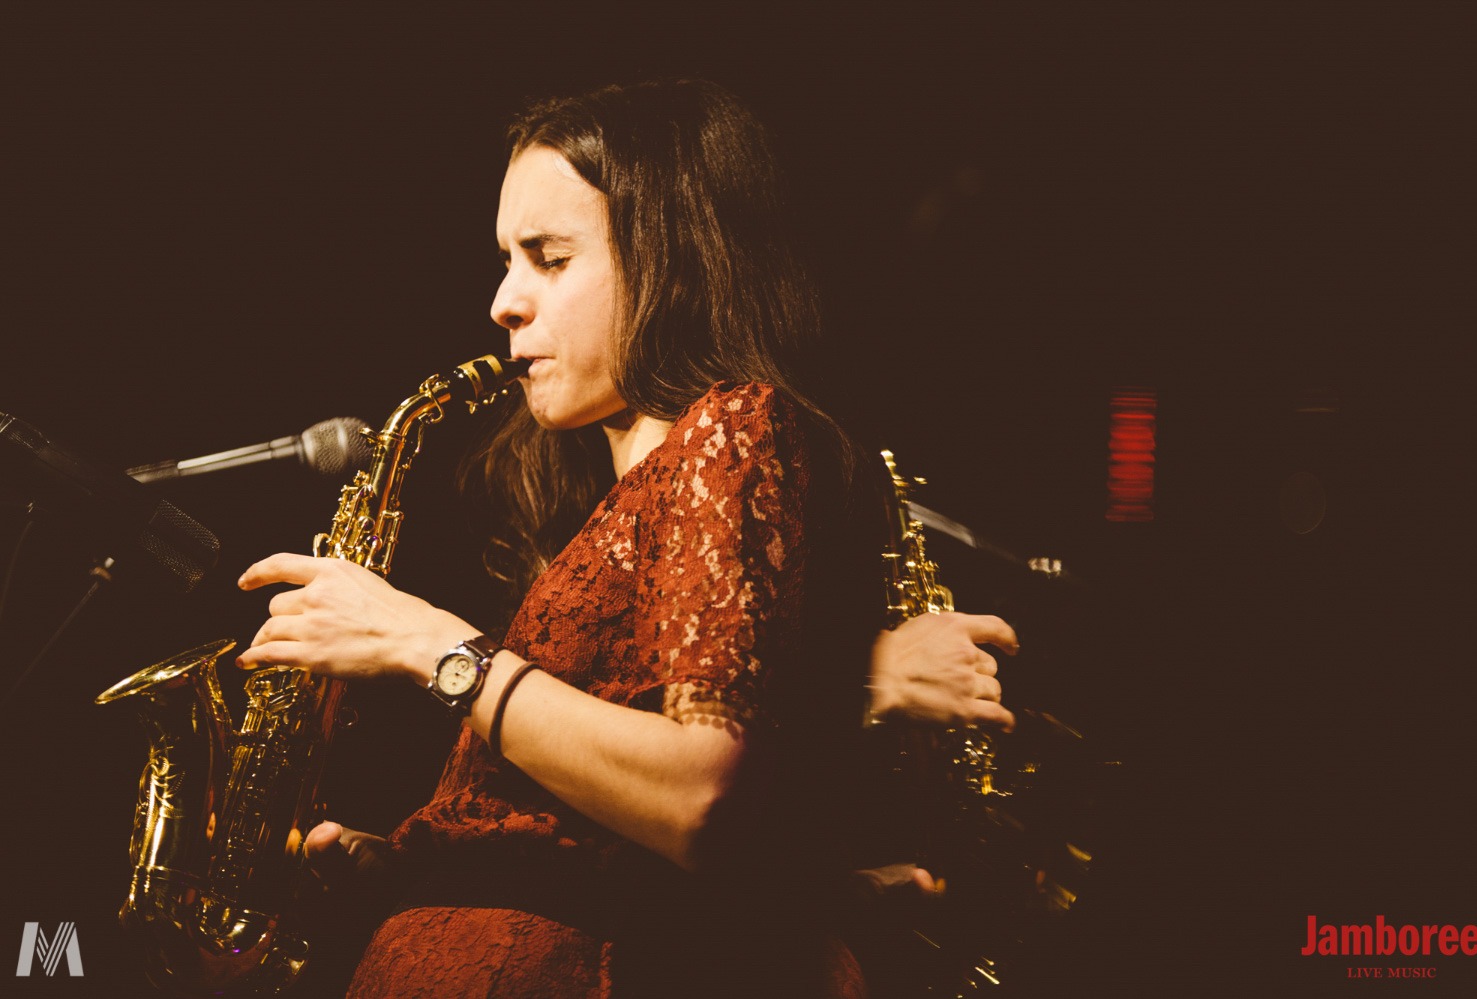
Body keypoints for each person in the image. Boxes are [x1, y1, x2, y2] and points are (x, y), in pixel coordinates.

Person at [238, 79, 1018, 998]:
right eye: (506, 260)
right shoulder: (622, 501)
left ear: (668, 259)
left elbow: (700, 794)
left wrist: (427, 644)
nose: (504, 301)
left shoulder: (732, 427)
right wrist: (430, 861)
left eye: (549, 258)